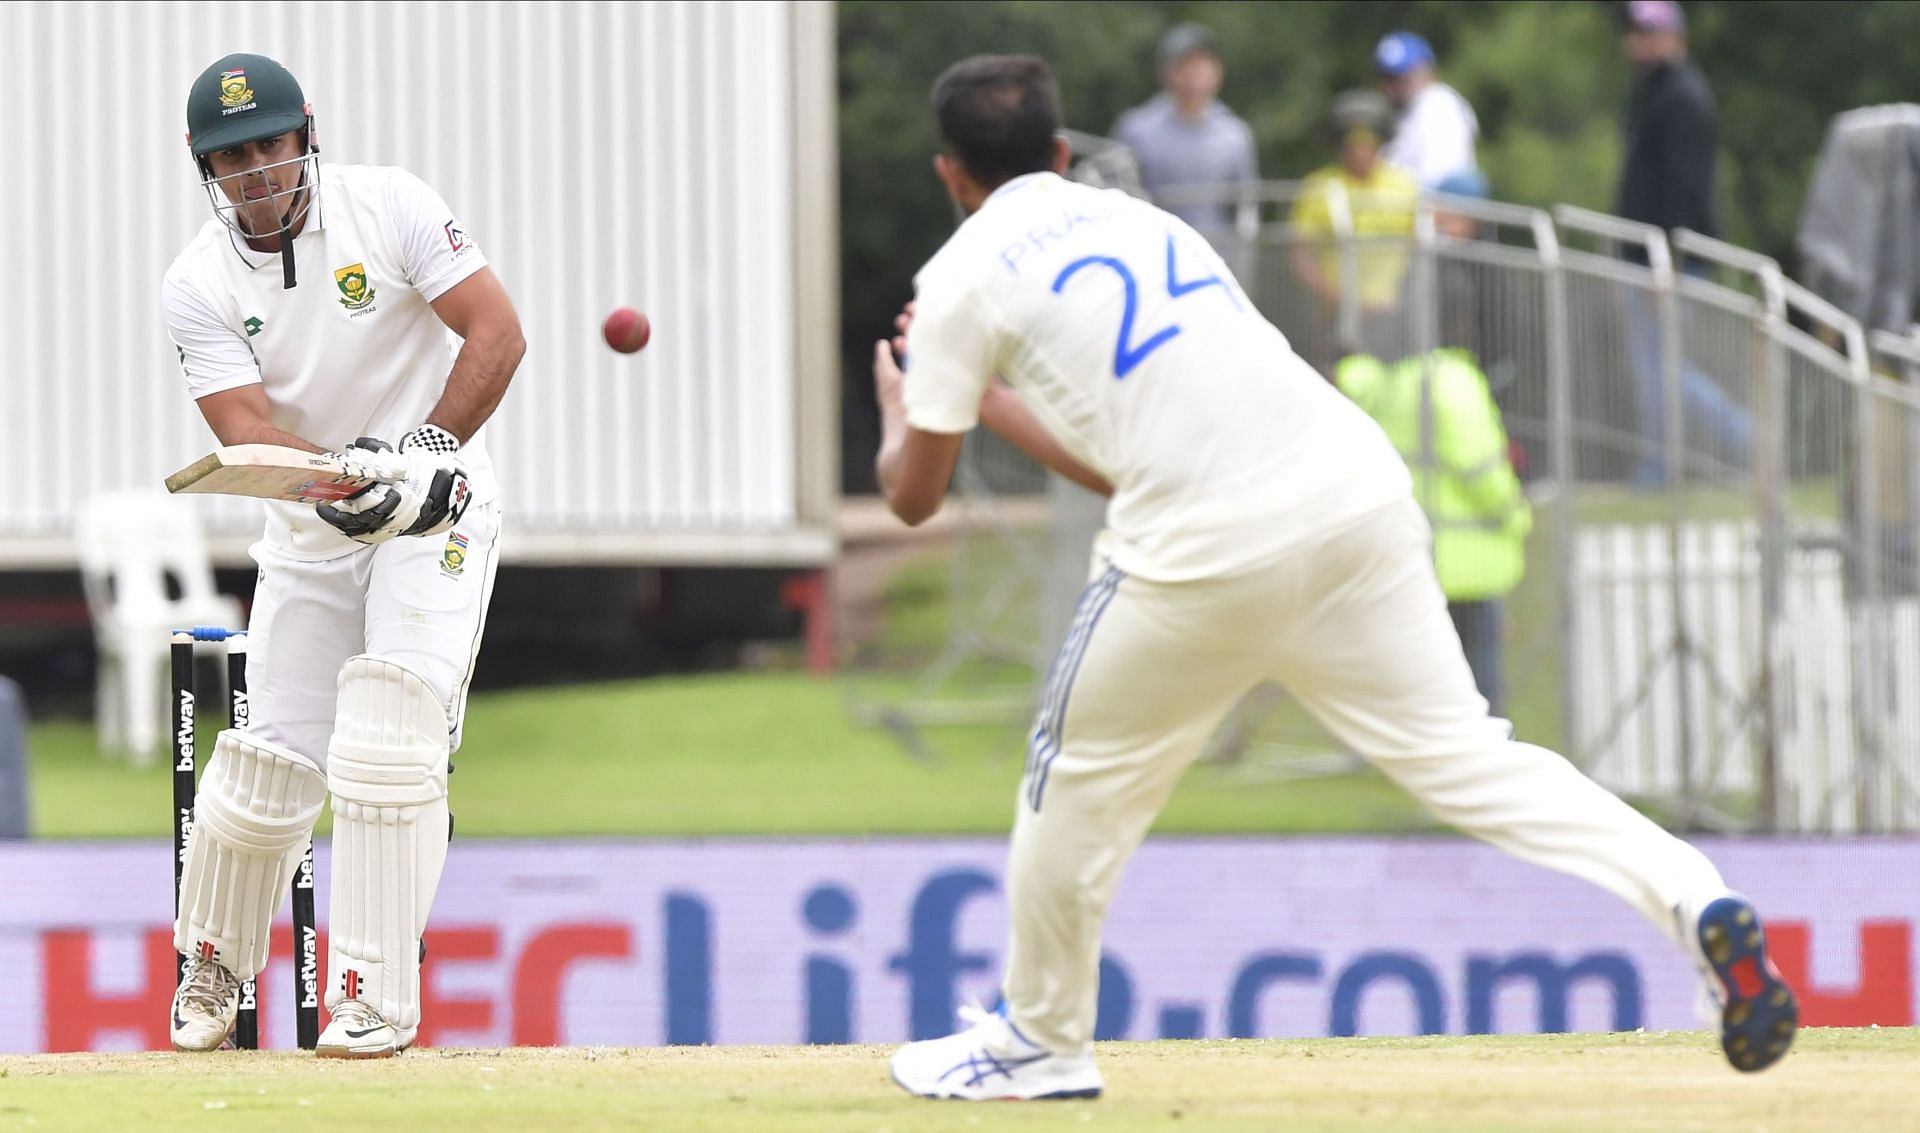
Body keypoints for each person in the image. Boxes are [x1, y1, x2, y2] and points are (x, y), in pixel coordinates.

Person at [872, 52, 1798, 1101]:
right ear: (1055, 150)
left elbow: (913, 495)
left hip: (1199, 553)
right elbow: (1136, 449)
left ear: (949, 172)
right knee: (1471, 756)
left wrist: (906, 410)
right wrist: (996, 404)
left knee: (1069, 779)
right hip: (1353, 496)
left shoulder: (959, 277)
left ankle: (1041, 1038)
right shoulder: (1146, 219)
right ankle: (1696, 896)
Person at [162, 52, 525, 1059]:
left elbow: (494, 333)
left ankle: (366, 991)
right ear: (205, 169)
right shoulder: (197, 281)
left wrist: (421, 458)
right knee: (266, 764)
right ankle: (213, 967)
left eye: (269, 145)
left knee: (389, 742)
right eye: (230, 158)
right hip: (309, 526)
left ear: (306, 132)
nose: (256, 173)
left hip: (435, 507)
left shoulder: (390, 205)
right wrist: (344, 481)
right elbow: (246, 432)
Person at [1615, 0, 1750, 483]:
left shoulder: (1683, 98)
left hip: (1668, 260)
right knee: (1657, 372)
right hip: (1643, 254)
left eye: (1652, 31)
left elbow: (1683, 188)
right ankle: (1661, 465)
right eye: (1636, 31)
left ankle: (1742, 441)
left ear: (1676, 35)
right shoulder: (1651, 92)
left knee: (1665, 371)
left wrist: (1665, 262)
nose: (1642, 39)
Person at [1290, 89, 1420, 362]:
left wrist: (1403, 296)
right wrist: (1337, 297)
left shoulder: (1404, 186)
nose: (1360, 149)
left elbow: (1420, 251)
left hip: (1391, 315)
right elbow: (1301, 255)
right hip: (1333, 316)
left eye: (1368, 139)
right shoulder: (1319, 188)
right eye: (1351, 140)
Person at [1110, 22, 1258, 231]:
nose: (1196, 71)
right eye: (1186, 62)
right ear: (1166, 71)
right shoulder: (1136, 130)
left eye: (1203, 62)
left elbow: (1246, 213)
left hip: (1214, 255)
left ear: (1218, 71)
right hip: (1153, 252)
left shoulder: (1235, 136)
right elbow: (1116, 199)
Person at [1375, 31, 1481, 190]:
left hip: (1433, 209)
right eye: (1388, 77)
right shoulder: (1402, 113)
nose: (1395, 85)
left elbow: (1439, 180)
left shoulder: (1440, 105)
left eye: (1403, 76)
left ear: (1428, 71)